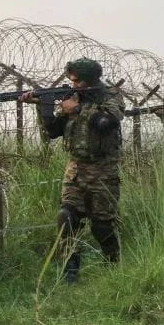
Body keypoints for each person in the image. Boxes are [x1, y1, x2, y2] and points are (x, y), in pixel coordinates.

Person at [20, 58, 124, 283]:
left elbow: (107, 123)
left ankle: (114, 264)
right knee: (66, 218)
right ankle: (70, 272)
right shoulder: (72, 98)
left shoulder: (110, 96)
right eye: (71, 80)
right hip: (75, 169)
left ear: (91, 79)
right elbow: (53, 131)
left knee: (102, 225)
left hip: (104, 170)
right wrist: (43, 105)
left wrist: (77, 109)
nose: (73, 85)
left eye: (77, 81)